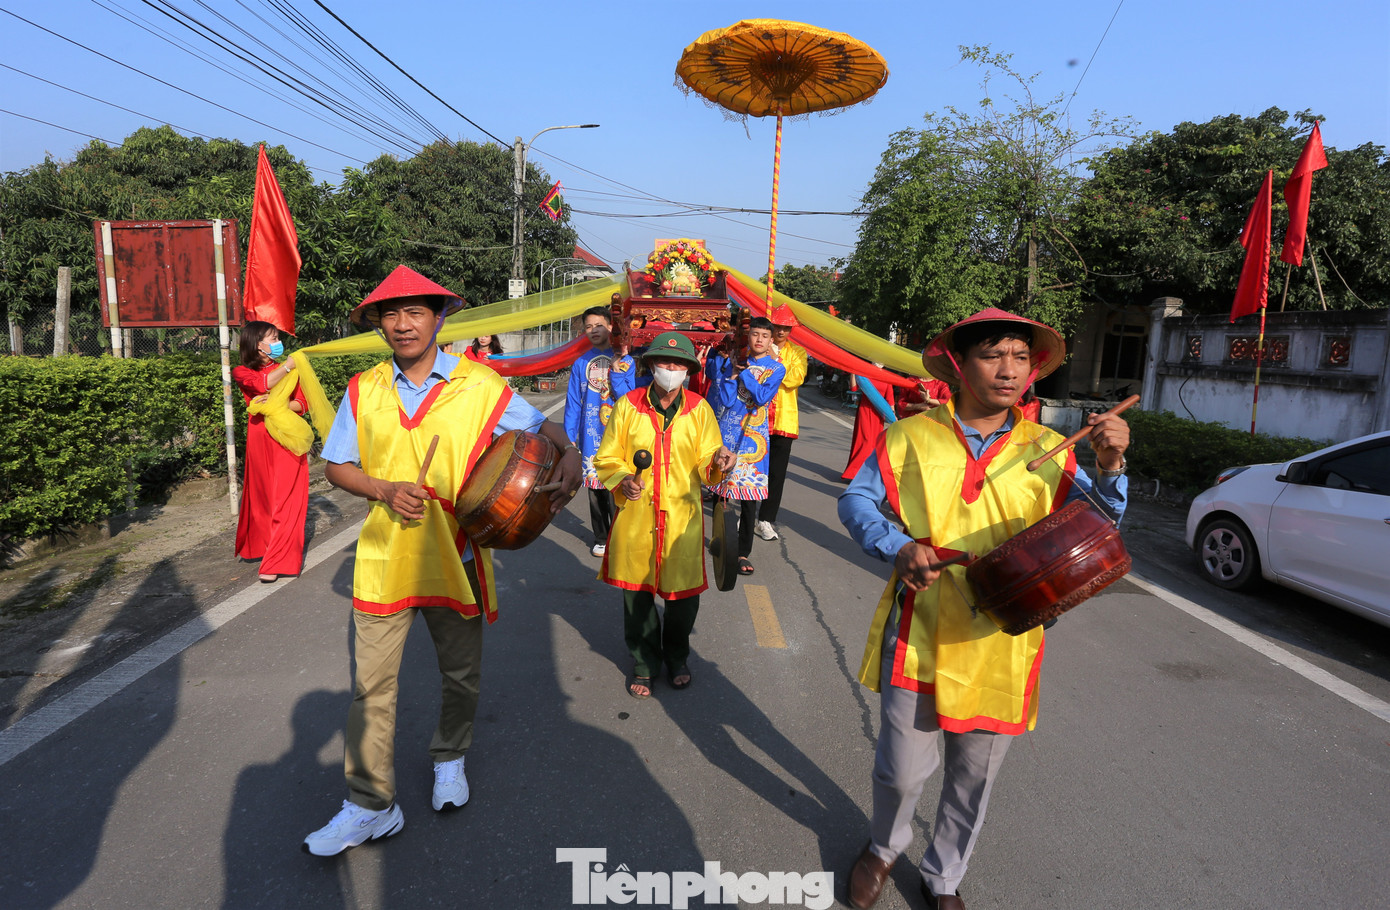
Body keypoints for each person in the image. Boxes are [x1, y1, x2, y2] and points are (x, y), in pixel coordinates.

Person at [838, 308, 1130, 910]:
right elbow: (857, 500)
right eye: (993, 355)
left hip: (1004, 636)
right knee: (900, 770)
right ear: (958, 363)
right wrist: (896, 546)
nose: (1009, 370)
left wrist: (1110, 466)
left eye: (1021, 357)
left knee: (974, 776)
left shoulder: (1051, 448)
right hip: (921, 624)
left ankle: (944, 876)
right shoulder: (908, 436)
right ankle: (883, 848)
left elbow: (1098, 525)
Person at [303, 266, 582, 857]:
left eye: (415, 312)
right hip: (384, 555)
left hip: (456, 553)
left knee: (460, 673)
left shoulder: (478, 384)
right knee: (371, 687)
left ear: (438, 319)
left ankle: (450, 756)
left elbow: (543, 426)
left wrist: (572, 454)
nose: (402, 324)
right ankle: (370, 804)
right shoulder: (363, 389)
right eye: (390, 314)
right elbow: (337, 465)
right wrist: (381, 488)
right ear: (379, 325)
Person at [593, 332, 733, 698]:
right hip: (637, 514)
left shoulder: (699, 409)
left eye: (678, 364)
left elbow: (707, 462)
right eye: (664, 362)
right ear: (651, 365)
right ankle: (644, 663)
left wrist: (719, 461)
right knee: (637, 595)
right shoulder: (628, 405)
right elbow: (607, 457)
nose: (671, 369)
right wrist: (624, 479)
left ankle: (677, 656)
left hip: (683, 517)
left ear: (688, 370)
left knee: (683, 597)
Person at [708, 317, 786, 576]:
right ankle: (719, 539)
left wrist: (743, 373)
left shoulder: (776, 368)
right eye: (755, 334)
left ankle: (742, 552)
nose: (759, 339)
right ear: (747, 337)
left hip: (753, 438)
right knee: (721, 492)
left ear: (771, 340)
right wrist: (732, 372)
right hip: (728, 434)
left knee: (748, 499)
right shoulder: (734, 361)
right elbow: (727, 400)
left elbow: (762, 396)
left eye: (764, 335)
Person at [232, 320, 308, 583]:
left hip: (287, 437)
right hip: (260, 438)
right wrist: (288, 367)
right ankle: (267, 547)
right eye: (273, 339)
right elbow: (261, 385)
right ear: (257, 345)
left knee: (286, 499)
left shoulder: (292, 370)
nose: (278, 343)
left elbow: (302, 403)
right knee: (264, 499)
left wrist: (282, 405)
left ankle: (276, 560)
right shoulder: (241, 371)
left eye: (277, 338)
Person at [564, 306, 622, 557]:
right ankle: (601, 537)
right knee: (595, 489)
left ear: (610, 326)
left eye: (599, 325)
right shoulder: (581, 362)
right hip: (590, 433)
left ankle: (619, 536)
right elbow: (573, 403)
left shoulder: (626, 359)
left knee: (618, 487)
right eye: (588, 327)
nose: (593, 330)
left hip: (618, 433)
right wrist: (569, 441)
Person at [755, 306, 806, 541]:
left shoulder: (798, 353)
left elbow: (796, 378)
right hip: (756, 418)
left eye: (787, 328)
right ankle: (746, 513)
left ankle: (765, 519)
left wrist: (776, 362)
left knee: (776, 473)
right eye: (778, 327)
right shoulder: (759, 348)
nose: (782, 331)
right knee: (752, 469)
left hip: (784, 420)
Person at [841, 371, 896, 481]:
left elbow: (890, 400)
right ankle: (853, 473)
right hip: (865, 411)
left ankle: (865, 475)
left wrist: (893, 417)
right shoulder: (865, 373)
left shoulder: (887, 377)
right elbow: (854, 389)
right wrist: (853, 372)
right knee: (865, 441)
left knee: (873, 444)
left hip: (878, 415)